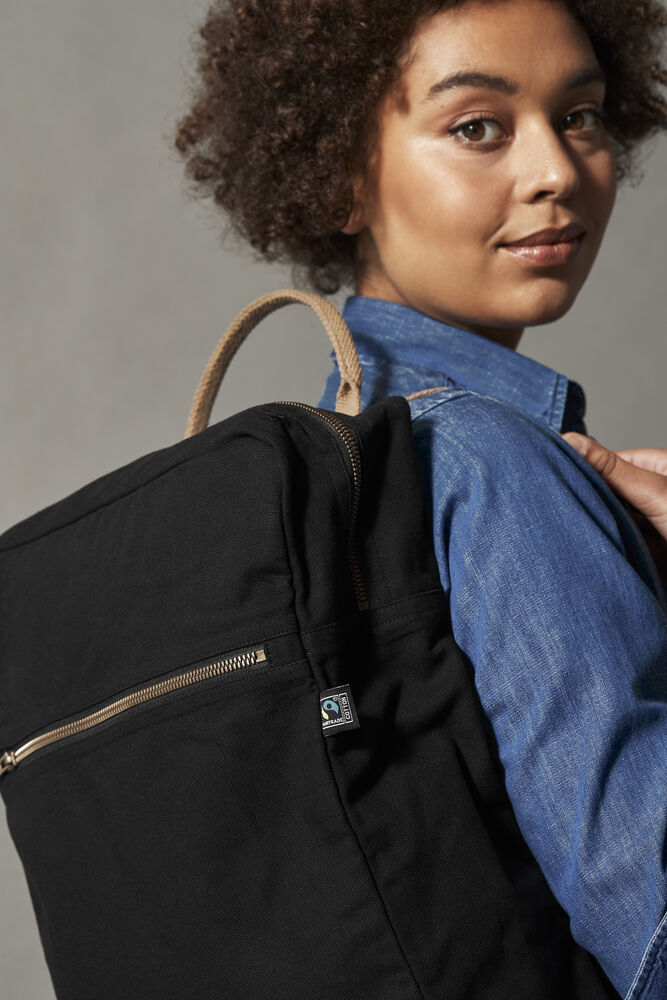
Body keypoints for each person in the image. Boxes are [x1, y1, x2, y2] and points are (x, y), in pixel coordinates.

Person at [173, 1, 667, 996]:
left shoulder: (329, 471)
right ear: (341, 175)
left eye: (579, 115)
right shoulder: (484, 459)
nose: (556, 171)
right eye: (477, 126)